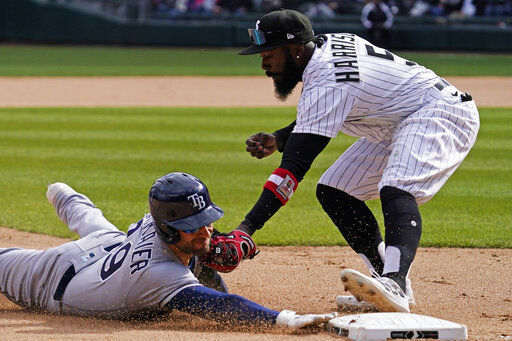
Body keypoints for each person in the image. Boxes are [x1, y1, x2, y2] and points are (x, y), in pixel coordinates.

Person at [236, 9, 479, 313]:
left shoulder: (329, 79)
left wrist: (247, 228)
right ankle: (383, 283)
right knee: (335, 190)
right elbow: (321, 110)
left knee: (396, 187)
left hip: (439, 113)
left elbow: (294, 168)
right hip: (401, 119)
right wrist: (280, 137)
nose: (263, 63)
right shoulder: (323, 47)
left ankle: (395, 282)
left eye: (269, 54)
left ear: (296, 50)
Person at [0, 172, 337, 329]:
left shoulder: (155, 218)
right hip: (51, 276)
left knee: (91, 219)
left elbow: (203, 262)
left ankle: (60, 192)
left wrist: (208, 257)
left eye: (208, 220)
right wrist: (284, 320)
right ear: (166, 226)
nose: (207, 230)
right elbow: (219, 305)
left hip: (110, 246)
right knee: (88, 223)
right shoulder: (158, 274)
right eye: (195, 224)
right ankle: (60, 192)